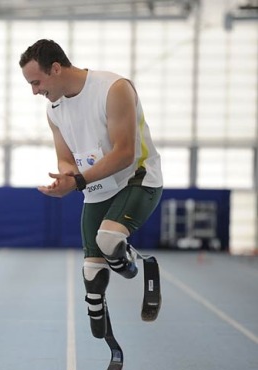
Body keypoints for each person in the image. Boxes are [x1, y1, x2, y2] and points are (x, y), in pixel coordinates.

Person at [19, 39, 163, 339]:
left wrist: (78, 181)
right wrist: (66, 175)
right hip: (97, 187)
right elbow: (64, 157)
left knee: (109, 240)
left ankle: (131, 263)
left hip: (136, 178)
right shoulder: (54, 110)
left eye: (36, 82)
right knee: (91, 272)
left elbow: (124, 153)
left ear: (56, 68)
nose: (35, 91)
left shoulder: (114, 89)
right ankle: (105, 336)